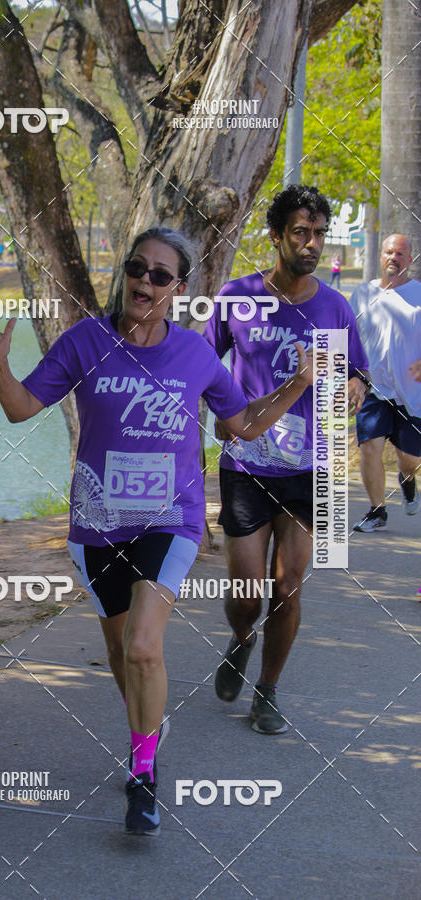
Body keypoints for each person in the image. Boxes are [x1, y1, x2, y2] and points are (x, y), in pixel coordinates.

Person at [0, 226, 314, 835]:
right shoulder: (85, 341)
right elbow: (21, 408)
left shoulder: (194, 354)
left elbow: (243, 426)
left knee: (145, 646)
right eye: (137, 268)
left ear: (178, 288)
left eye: (160, 275)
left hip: (170, 520)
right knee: (123, 653)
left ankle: (142, 775)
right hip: (97, 523)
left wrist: (299, 385)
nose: (145, 282)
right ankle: (145, 726)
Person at [205, 185, 370, 735]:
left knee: (288, 584)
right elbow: (202, 365)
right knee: (248, 592)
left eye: (319, 233)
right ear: (275, 236)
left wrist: (351, 386)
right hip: (248, 464)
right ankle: (241, 637)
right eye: (301, 232)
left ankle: (268, 693)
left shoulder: (335, 306)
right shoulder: (238, 297)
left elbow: (358, 371)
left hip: (311, 467)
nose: (312, 243)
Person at [350, 234, 421, 532]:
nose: (394, 257)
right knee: (369, 447)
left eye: (401, 253)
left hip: (412, 392)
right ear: (380, 256)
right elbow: (348, 338)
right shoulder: (362, 294)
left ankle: (407, 479)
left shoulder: (418, 293)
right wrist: (352, 376)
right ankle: (377, 511)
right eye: (389, 252)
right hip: (373, 389)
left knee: (410, 460)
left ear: (410, 259)